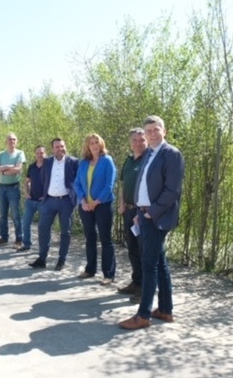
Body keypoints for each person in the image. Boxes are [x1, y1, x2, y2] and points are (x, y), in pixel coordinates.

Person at [119, 115, 185, 330]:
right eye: (148, 131)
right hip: (145, 214)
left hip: (158, 217)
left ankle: (143, 314)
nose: (152, 134)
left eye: (156, 130)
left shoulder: (172, 154)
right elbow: (142, 184)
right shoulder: (148, 153)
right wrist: (140, 209)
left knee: (149, 266)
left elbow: (172, 191)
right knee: (160, 264)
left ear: (164, 131)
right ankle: (165, 310)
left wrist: (151, 213)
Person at [73, 133, 117, 285]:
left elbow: (109, 185)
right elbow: (77, 184)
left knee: (105, 239)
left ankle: (108, 274)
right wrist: (83, 201)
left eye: (96, 142)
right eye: (91, 143)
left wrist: (97, 202)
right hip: (85, 206)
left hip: (103, 205)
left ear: (101, 144)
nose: (94, 145)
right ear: (87, 146)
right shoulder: (83, 163)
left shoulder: (107, 161)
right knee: (90, 238)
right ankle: (90, 269)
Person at [29, 138, 78, 270]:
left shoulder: (73, 162)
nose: (60, 149)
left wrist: (75, 199)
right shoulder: (47, 162)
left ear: (65, 146)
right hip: (49, 201)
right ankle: (42, 258)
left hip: (66, 201)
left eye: (62, 146)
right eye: (57, 147)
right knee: (43, 228)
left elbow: (77, 181)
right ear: (52, 149)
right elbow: (43, 178)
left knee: (65, 231)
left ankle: (61, 260)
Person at [117, 128, 148, 302]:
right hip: (128, 211)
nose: (138, 143)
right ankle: (136, 282)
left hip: (142, 212)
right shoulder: (128, 161)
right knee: (132, 250)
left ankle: (145, 288)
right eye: (135, 140)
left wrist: (140, 211)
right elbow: (123, 185)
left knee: (144, 250)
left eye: (141, 140)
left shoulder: (149, 160)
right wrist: (122, 204)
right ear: (130, 142)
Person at [0, 132, 25, 248]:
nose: (12, 141)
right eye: (10, 139)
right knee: (2, 215)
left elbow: (17, 169)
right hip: (2, 187)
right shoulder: (1, 155)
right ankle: (4, 237)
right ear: (6, 142)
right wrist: (7, 168)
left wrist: (2, 169)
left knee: (16, 215)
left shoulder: (20, 153)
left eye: (14, 139)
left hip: (13, 187)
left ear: (17, 141)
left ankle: (19, 239)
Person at [19, 145, 46, 252]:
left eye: (42, 153)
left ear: (45, 153)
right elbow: (26, 181)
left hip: (43, 201)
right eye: (38, 153)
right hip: (31, 200)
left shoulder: (49, 166)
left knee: (43, 226)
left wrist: (46, 195)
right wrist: (26, 193)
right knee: (25, 223)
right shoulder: (31, 166)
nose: (40, 155)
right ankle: (26, 244)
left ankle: (43, 247)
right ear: (35, 154)